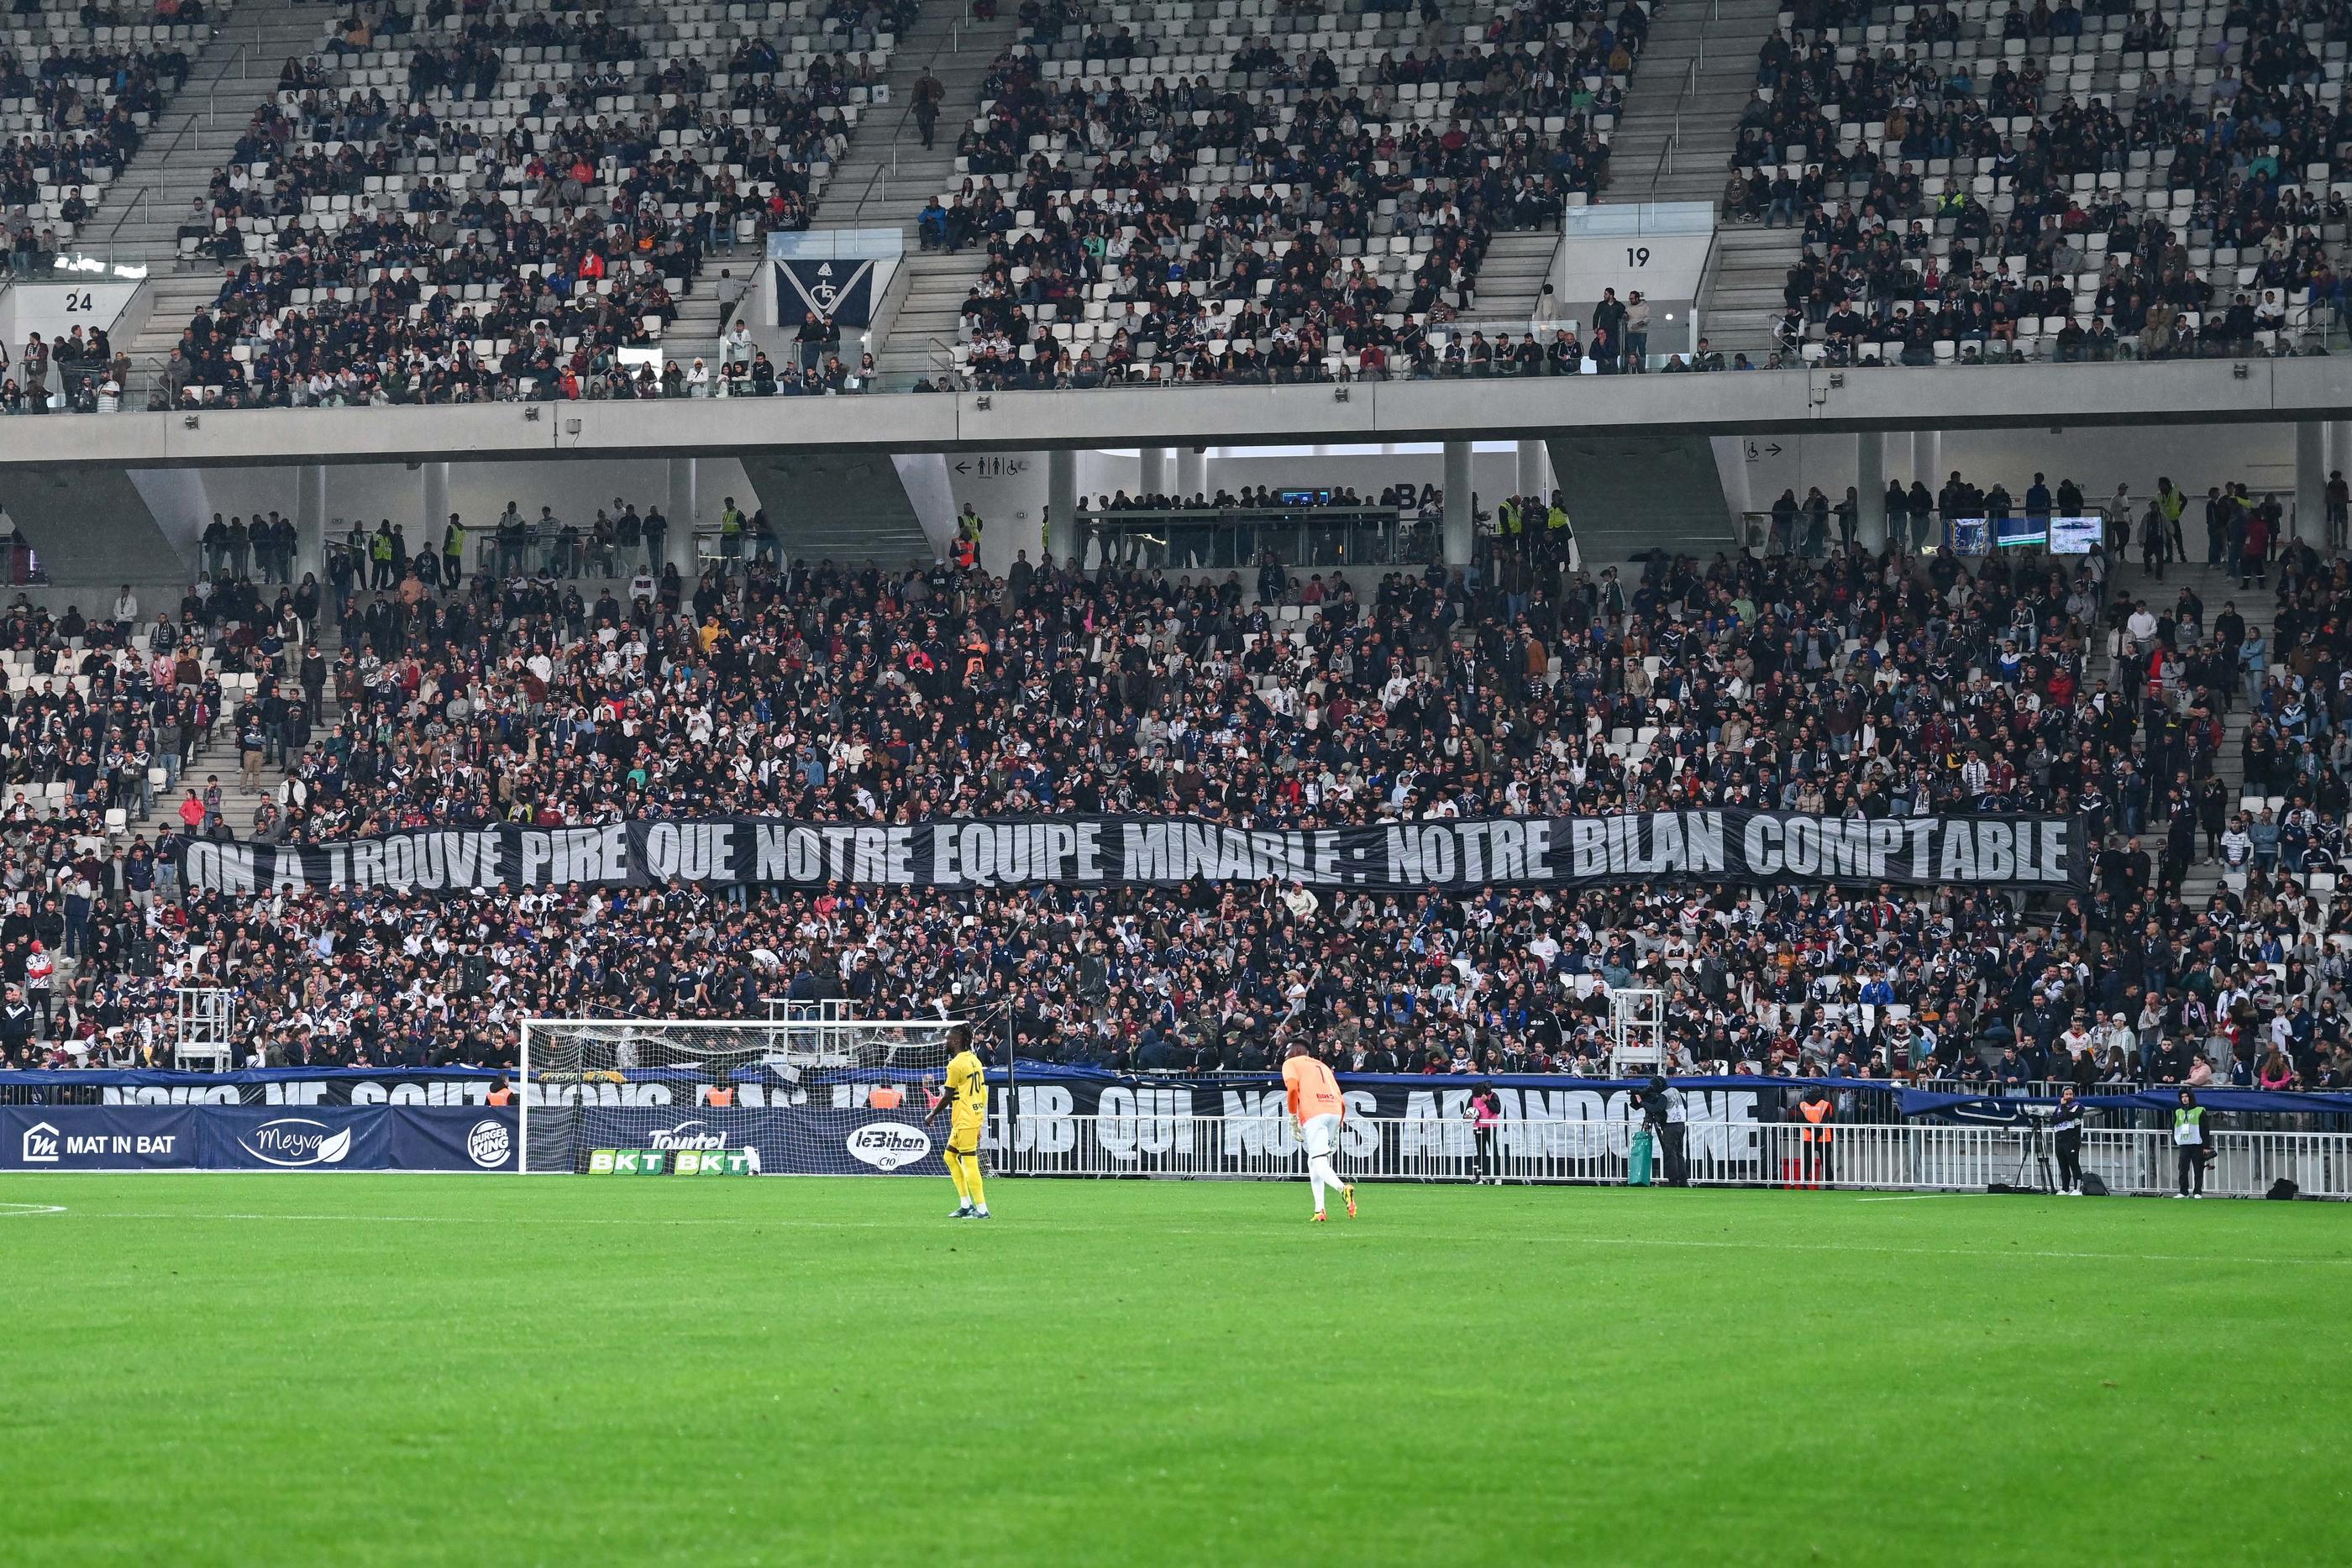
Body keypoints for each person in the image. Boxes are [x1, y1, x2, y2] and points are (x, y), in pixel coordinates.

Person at [1283, 1040, 1355, 1220]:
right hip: (1335, 1112)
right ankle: (1319, 1210)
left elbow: (1292, 1090)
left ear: (1297, 1051)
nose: (1285, 1055)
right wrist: (1339, 1123)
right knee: (1314, 1161)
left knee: (1320, 1162)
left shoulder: (1291, 1063)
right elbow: (1339, 1094)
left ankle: (1343, 1189)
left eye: (1287, 1051)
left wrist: (1293, 1118)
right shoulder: (1322, 1065)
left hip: (1314, 1113)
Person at [927, 1025, 990, 1219]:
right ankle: (965, 1204)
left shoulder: (955, 1065)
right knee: (949, 1157)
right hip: (972, 1114)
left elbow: (947, 1096)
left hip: (965, 1118)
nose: (944, 1042)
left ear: (956, 1041)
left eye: (947, 1039)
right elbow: (983, 1091)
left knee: (970, 1162)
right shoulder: (974, 1059)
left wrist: (932, 1114)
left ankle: (982, 1209)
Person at [1646, 1073, 1690, 1186]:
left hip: (1671, 1126)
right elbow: (1685, 1105)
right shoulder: (1674, 1090)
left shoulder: (1664, 1095)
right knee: (1679, 1154)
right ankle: (1683, 1181)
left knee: (1671, 1155)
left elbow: (1657, 1108)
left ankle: (1673, 1181)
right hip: (1681, 1124)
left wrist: (1643, 1103)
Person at [2171, 1087, 2213, 1197]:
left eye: (2186, 1096)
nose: (2184, 1099)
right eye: (2182, 1097)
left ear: (2191, 1098)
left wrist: (2206, 1146)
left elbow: (2205, 1129)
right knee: (2183, 1169)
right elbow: (2175, 1127)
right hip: (2184, 1144)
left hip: (2197, 1143)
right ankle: (2183, 1191)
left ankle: (2197, 1192)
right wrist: (2175, 1140)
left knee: (2198, 1168)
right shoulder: (2178, 1112)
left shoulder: (2200, 1110)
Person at [2050, 1084, 2086, 1193]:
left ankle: (2078, 1188)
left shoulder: (2078, 1106)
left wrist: (2064, 1109)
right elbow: (2053, 1120)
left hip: (2072, 1139)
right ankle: (2065, 1189)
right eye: (2066, 1094)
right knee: (2063, 1165)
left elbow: (2070, 1116)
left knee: (2074, 1164)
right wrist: (2063, 1114)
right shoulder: (2058, 1107)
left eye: (2071, 1094)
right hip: (2060, 1139)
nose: (2069, 1096)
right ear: (2062, 1095)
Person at [1467, 1083, 1499, 1183]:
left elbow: (1497, 1110)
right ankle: (1481, 1177)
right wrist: (1467, 1116)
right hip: (1478, 1127)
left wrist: (1487, 1101)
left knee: (1494, 1152)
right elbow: (1467, 1111)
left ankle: (1497, 1177)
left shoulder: (1493, 1095)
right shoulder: (1473, 1097)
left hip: (1490, 1126)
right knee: (1481, 1153)